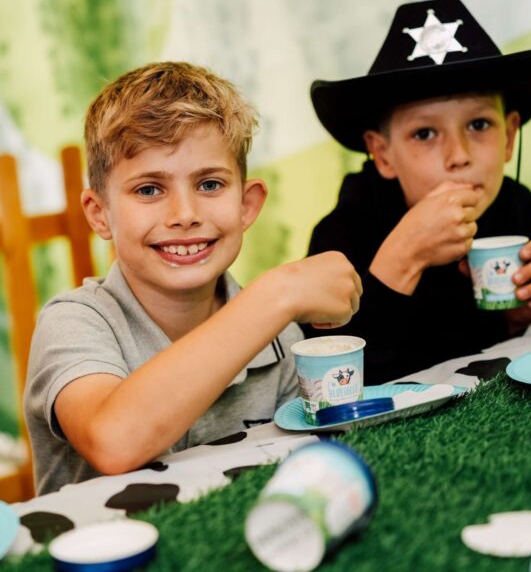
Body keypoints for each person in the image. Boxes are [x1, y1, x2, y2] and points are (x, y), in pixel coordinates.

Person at [25, 62, 361, 495]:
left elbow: (306, 473)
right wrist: (277, 294)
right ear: (100, 214)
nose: (184, 215)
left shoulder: (279, 335)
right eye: (149, 189)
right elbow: (113, 441)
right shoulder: (73, 322)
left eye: (209, 185)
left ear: (247, 205)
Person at [305, 0, 531, 384]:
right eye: (425, 133)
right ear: (383, 154)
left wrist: (522, 321)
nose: (458, 156)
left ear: (510, 136)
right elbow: (333, 377)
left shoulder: (517, 208)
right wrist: (404, 255)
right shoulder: (340, 236)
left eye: (478, 125)